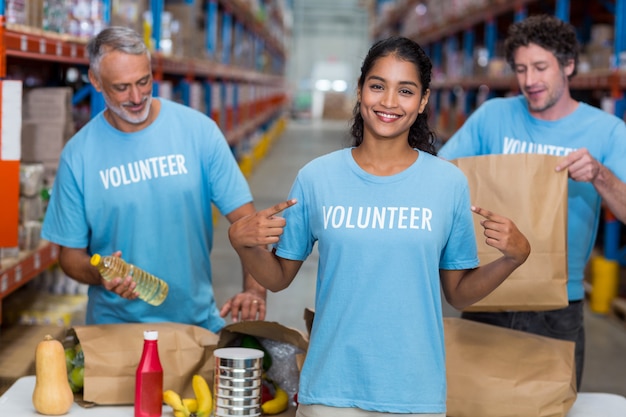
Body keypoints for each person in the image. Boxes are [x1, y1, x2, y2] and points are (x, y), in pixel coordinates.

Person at [229, 36, 530, 416]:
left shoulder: (447, 183)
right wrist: (242, 243)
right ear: (360, 91)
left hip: (414, 392)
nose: (389, 102)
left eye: (405, 91)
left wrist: (512, 259)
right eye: (377, 86)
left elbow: (458, 294)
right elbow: (277, 278)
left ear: (422, 102)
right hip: (331, 390)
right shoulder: (317, 178)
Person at [438, 14, 626, 389]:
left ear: (568, 65)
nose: (529, 81)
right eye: (521, 69)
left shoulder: (608, 130)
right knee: (478, 402)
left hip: (558, 302)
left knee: (552, 405)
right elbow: (442, 176)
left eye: (541, 67)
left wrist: (600, 174)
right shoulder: (493, 115)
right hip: (488, 287)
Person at [41, 26, 267, 333]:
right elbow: (69, 256)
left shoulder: (198, 132)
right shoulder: (78, 156)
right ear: (95, 81)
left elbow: (247, 223)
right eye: (121, 87)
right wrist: (100, 275)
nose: (136, 97)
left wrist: (254, 290)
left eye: (144, 82)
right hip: (115, 333)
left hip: (194, 326)